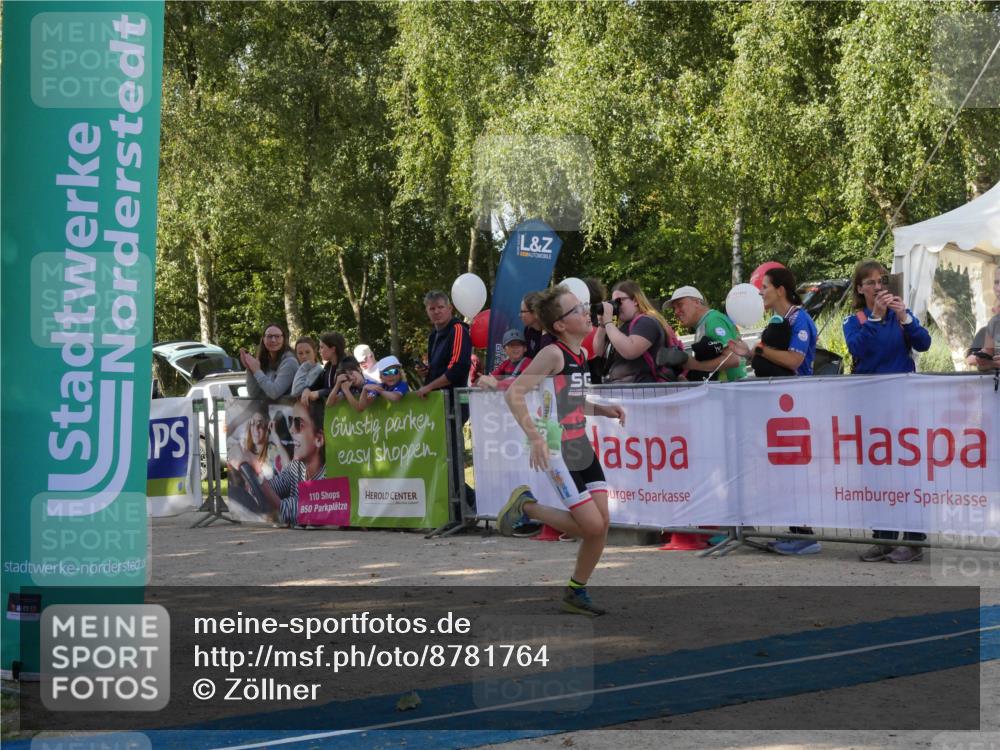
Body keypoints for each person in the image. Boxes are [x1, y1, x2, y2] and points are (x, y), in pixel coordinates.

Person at [499, 284, 626, 616]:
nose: (586, 313)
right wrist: (536, 437)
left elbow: (573, 401)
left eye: (583, 307)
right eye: (577, 310)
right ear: (559, 325)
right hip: (558, 446)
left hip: (579, 443)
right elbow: (513, 393)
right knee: (593, 527)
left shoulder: (580, 354)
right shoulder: (552, 353)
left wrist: (603, 409)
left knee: (602, 524)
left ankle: (575, 591)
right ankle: (526, 508)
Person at [842, 260, 933, 563]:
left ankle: (914, 540)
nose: (878, 286)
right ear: (860, 288)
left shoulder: (901, 316)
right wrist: (876, 318)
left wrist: (904, 316)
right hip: (871, 407)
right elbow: (858, 350)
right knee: (876, 473)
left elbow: (924, 344)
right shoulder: (854, 320)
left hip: (903, 407)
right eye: (870, 282)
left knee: (907, 472)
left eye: (882, 280)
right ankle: (883, 537)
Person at [728, 267, 819, 555]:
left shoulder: (799, 319)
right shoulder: (782, 319)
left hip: (797, 403)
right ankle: (796, 531)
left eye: (765, 286)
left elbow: (794, 359)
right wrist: (749, 352)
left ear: (780, 289)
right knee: (783, 471)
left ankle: (805, 536)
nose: (761, 292)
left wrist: (759, 351)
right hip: (780, 404)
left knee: (794, 471)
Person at [415, 290, 474, 513]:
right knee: (442, 456)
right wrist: (426, 374)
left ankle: (469, 504)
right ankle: (458, 505)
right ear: (427, 312)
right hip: (437, 404)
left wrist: (429, 386)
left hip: (454, 403)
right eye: (432, 308)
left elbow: (458, 367)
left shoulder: (459, 329)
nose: (437, 312)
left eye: (441, 307)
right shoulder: (433, 336)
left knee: (453, 456)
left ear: (450, 308)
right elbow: (439, 369)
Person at [593, 279, 682, 383]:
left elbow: (630, 351)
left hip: (644, 392)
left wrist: (608, 322)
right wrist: (602, 325)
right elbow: (599, 351)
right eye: (613, 302)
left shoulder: (646, 321)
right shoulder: (623, 326)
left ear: (635, 301)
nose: (615, 306)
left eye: (619, 301)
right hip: (627, 393)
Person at [668, 286, 746, 382]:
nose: (675, 312)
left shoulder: (713, 321)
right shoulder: (706, 322)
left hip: (730, 390)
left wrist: (694, 365)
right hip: (727, 390)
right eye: (674, 308)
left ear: (697, 302)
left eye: (680, 305)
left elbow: (733, 360)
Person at [241, 323, 297, 401]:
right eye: (269, 336)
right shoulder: (264, 361)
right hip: (267, 411)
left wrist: (257, 371)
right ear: (263, 339)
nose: (273, 340)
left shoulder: (290, 362)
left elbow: (274, 393)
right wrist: (250, 369)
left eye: (277, 336)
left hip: (289, 412)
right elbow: (253, 394)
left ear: (284, 339)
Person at [300, 331, 346, 406]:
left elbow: (344, 389)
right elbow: (317, 384)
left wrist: (319, 393)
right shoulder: (328, 366)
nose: (319, 351)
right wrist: (307, 389)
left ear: (333, 349)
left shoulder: (347, 364)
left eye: (322, 347)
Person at [972, 266, 1000, 372]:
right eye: (996, 282)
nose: (999, 288)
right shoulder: (993, 323)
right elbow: (983, 363)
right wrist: (982, 360)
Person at [520, 291, 555, 359]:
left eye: (523, 311)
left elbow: (546, 359)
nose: (520, 315)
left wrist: (545, 336)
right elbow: (526, 358)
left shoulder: (553, 334)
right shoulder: (528, 330)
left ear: (535, 313)